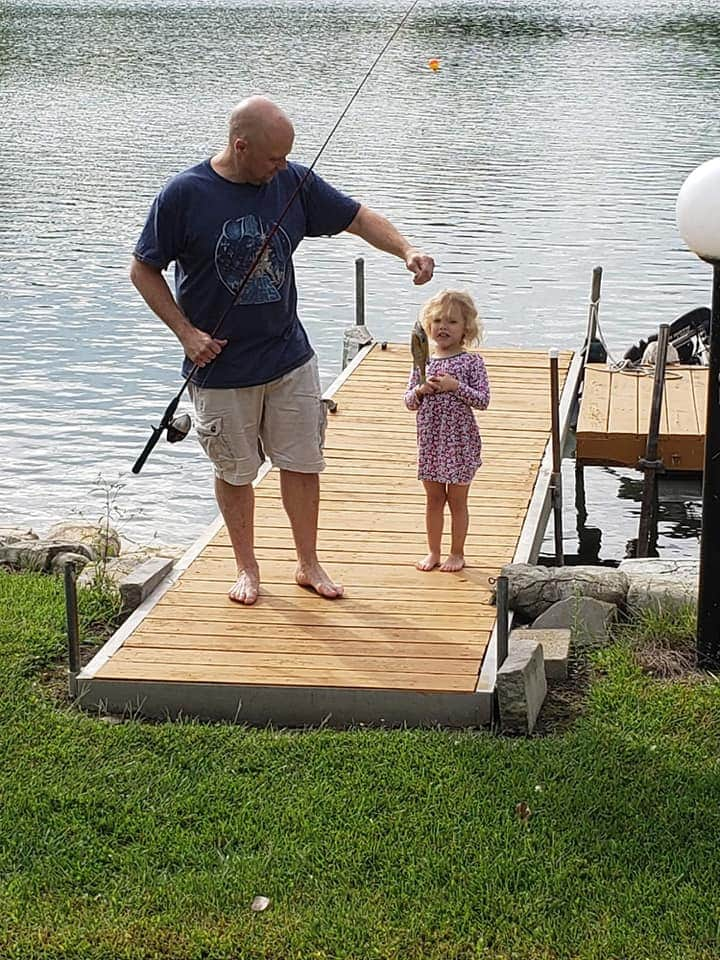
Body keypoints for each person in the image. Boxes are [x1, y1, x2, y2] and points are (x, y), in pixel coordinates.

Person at [130, 96, 434, 605]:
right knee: (235, 470)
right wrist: (186, 333)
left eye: (287, 157)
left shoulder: (291, 181)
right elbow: (143, 269)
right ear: (239, 145)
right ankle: (248, 569)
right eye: (273, 158)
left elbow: (358, 217)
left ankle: (308, 562)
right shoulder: (184, 194)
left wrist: (407, 249)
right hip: (220, 368)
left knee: (303, 462)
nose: (282, 167)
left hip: (289, 357)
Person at [403, 289, 490, 572]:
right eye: (438, 320)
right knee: (433, 499)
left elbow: (483, 400)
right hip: (431, 441)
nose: (443, 327)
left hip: (460, 442)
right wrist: (420, 389)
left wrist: (457, 387)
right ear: (429, 325)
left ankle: (457, 552)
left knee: (457, 500)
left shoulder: (471, 362)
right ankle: (433, 551)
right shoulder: (423, 362)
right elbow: (408, 402)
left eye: (452, 322)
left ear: (466, 328)